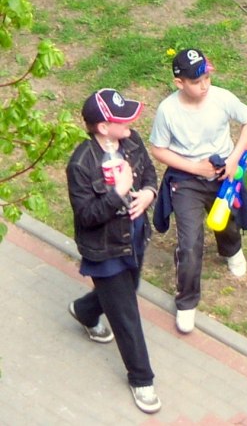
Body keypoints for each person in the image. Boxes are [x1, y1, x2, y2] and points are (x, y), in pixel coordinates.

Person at [150, 48, 247, 334]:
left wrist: (234, 158)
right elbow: (158, 149)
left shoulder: (222, 98)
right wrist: (194, 168)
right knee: (189, 242)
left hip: (224, 173)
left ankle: (232, 250)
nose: (205, 84)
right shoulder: (167, 110)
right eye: (197, 81)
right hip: (186, 180)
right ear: (179, 83)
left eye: (207, 77)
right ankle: (186, 302)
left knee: (228, 220)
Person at [66, 88, 161, 413]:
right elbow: (86, 216)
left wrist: (148, 192)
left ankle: (86, 310)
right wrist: (118, 193)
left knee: (125, 292)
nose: (131, 123)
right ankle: (141, 378)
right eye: (123, 119)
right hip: (104, 250)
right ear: (103, 126)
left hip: (134, 237)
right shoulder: (81, 163)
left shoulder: (131, 142)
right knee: (126, 315)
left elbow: (149, 172)